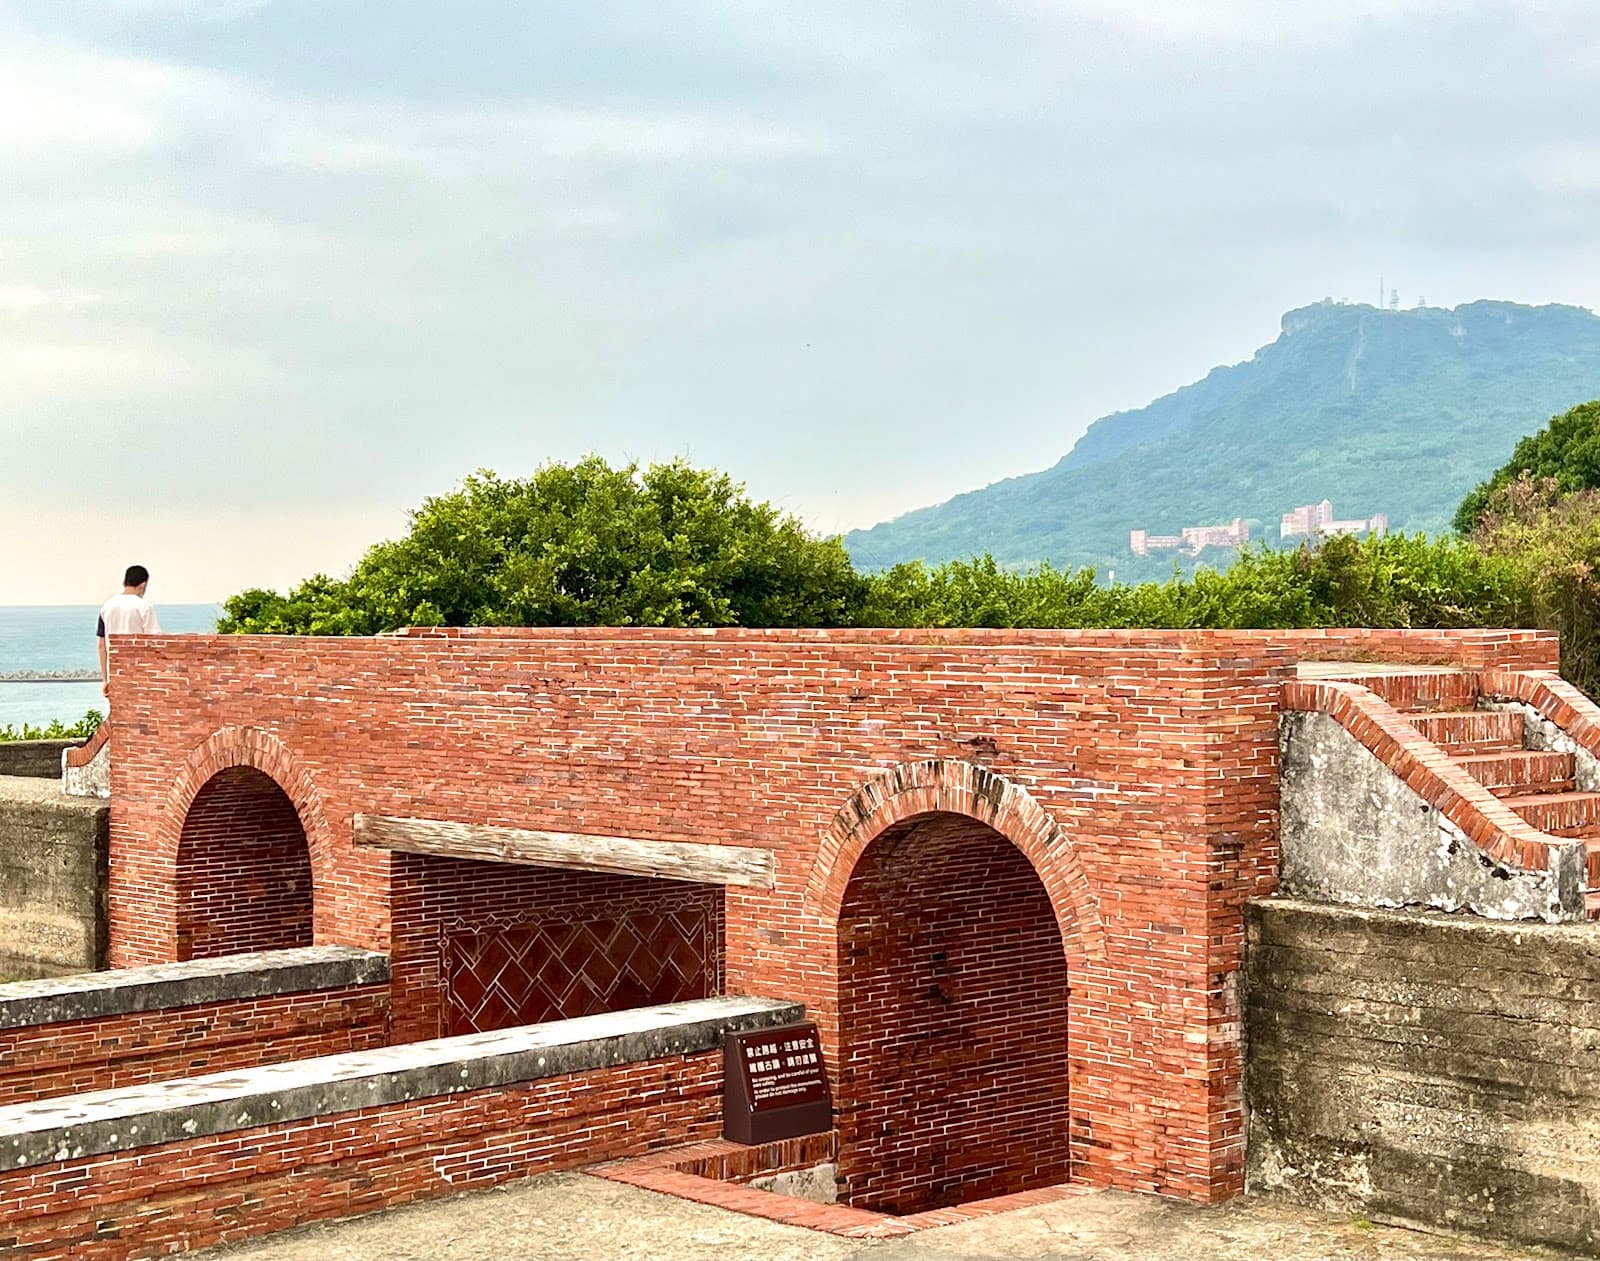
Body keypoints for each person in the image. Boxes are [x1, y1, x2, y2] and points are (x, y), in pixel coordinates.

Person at [98, 565, 161, 698]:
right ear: (143, 585)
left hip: (115, 673)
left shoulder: (107, 607)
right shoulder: (144, 607)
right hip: (140, 673)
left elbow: (102, 646)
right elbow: (155, 642)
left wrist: (105, 679)